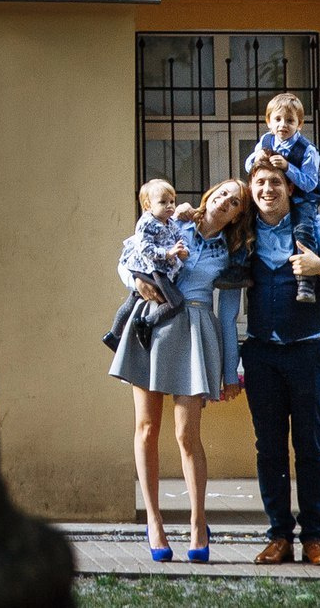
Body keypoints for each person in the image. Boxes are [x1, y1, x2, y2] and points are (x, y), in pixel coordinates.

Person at [109, 176, 252, 563]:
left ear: (238, 215)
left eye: (234, 202)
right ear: (211, 194)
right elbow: (127, 258)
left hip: (196, 331)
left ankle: (198, 521)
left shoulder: (231, 252)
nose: (225, 201)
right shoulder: (175, 222)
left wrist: (230, 372)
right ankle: (154, 521)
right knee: (146, 428)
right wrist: (135, 281)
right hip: (153, 323)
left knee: (187, 434)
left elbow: (228, 316)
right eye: (222, 193)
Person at [242, 159, 320, 566]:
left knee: (310, 447)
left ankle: (314, 538)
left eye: (275, 182)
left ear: (291, 188)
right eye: (260, 182)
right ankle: (279, 536)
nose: (267, 189)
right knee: (269, 449)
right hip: (261, 354)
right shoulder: (243, 231)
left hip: (308, 353)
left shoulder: (319, 228)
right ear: (251, 189)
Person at [244, 92, 320, 303]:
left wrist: (288, 168)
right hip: (277, 198)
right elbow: (248, 166)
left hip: (303, 198)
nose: (283, 125)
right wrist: (257, 158)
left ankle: (305, 281)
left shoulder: (307, 150)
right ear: (269, 122)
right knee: (244, 219)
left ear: (299, 124)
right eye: (278, 119)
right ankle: (240, 267)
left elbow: (310, 183)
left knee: (303, 230)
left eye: (290, 121)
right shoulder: (266, 140)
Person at [103, 177, 195, 351]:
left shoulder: (170, 223)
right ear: (148, 205)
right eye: (163, 202)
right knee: (176, 303)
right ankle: (146, 323)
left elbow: (180, 239)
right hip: (151, 269)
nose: (169, 206)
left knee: (134, 298)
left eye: (172, 201)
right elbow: (145, 248)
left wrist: (184, 252)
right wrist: (167, 253)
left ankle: (113, 335)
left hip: (162, 269)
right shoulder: (147, 223)